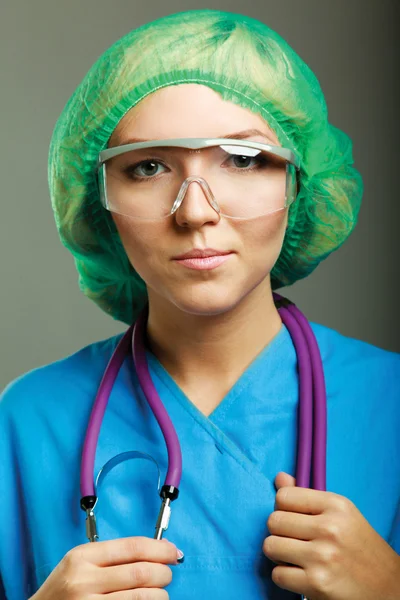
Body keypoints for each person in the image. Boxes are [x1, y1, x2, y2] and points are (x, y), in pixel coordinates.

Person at [0, 8, 399, 600]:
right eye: (148, 167)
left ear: (302, 183)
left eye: (242, 159)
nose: (194, 212)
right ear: (96, 200)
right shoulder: (28, 420)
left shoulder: (389, 403)